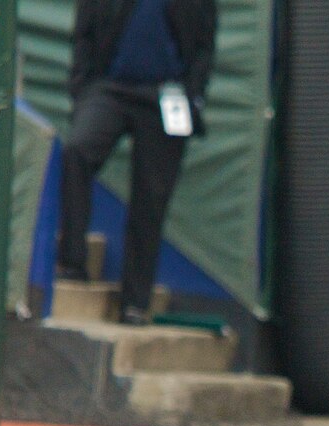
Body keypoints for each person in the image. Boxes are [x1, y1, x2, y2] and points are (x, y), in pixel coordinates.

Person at [56, 0, 217, 325]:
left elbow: (204, 45)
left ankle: (135, 303)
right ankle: (71, 263)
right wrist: (81, 88)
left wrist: (192, 94)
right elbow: (84, 31)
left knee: (151, 197)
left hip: (167, 96)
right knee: (77, 151)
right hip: (108, 88)